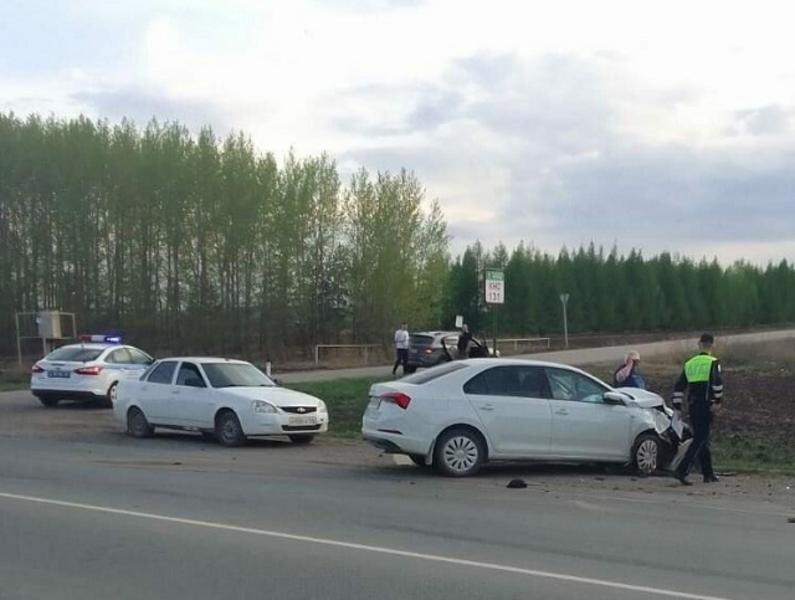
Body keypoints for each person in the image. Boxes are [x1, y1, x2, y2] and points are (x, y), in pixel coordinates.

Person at [671, 333, 724, 486]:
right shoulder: (713, 362)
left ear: (699, 344)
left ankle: (708, 473)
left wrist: (677, 406)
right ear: (712, 345)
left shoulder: (689, 363)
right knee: (700, 439)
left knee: (702, 438)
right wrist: (718, 401)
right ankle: (682, 470)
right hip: (706, 405)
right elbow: (717, 383)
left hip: (693, 405)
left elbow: (679, 387)